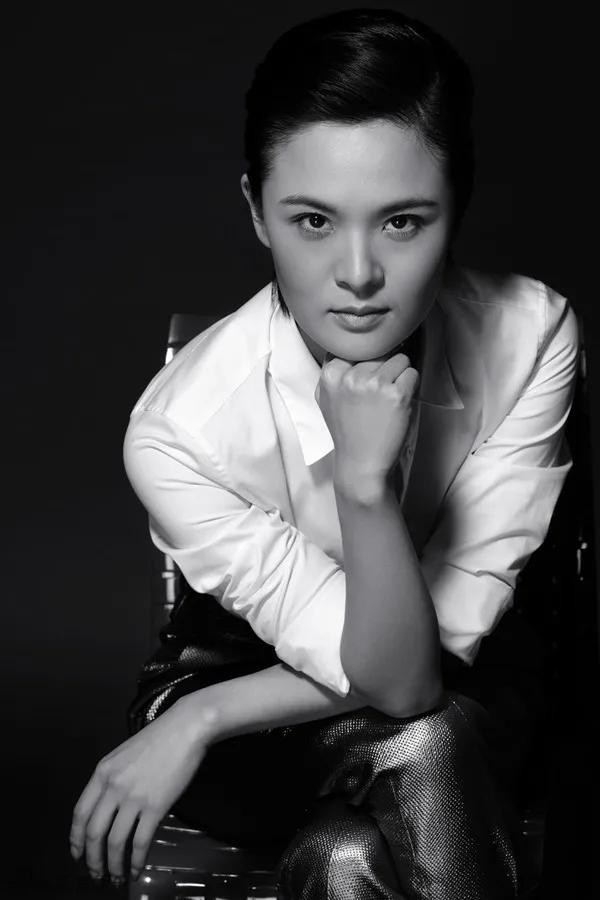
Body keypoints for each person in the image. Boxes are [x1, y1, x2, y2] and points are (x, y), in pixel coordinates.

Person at [69, 8, 579, 898]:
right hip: (249, 711)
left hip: (457, 688)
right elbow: (401, 690)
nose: (358, 274)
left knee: (353, 853)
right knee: (427, 739)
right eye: (312, 220)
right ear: (256, 212)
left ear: (456, 205)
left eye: (402, 221)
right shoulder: (179, 429)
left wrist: (364, 485)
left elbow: (421, 669)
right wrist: (204, 710)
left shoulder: (530, 335)